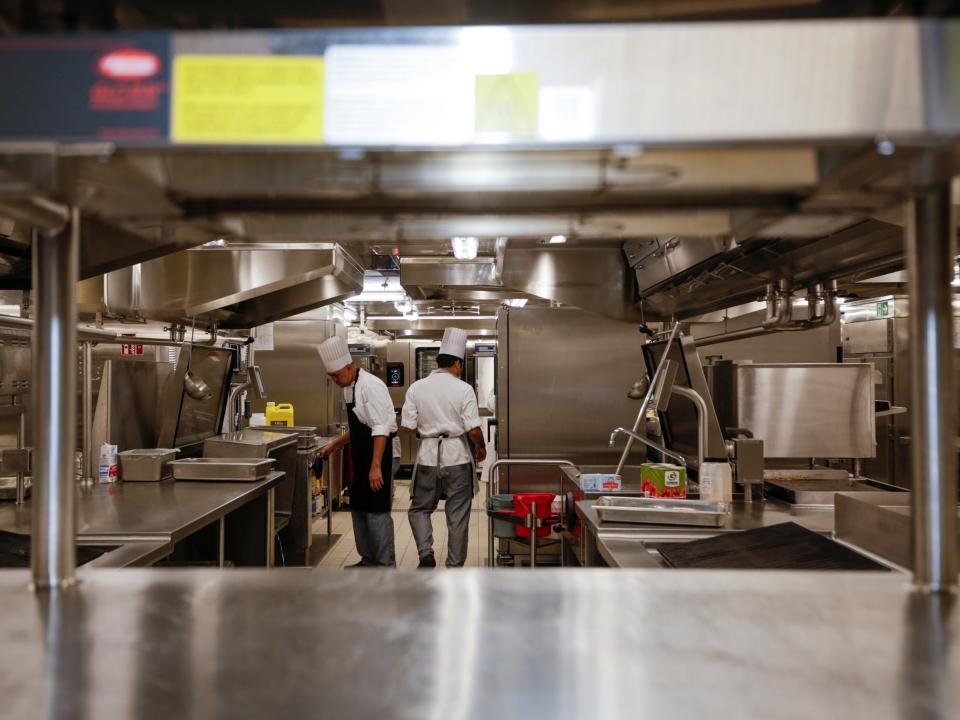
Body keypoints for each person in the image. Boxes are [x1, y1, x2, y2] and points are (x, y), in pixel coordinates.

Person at [401, 328, 486, 568]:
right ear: (457, 364)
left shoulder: (417, 387)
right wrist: (481, 447)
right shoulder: (464, 389)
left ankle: (426, 554)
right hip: (457, 457)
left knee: (419, 509)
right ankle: (454, 566)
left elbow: (407, 426)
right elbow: (473, 429)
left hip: (428, 457)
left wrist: (425, 432)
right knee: (457, 516)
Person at [318, 336, 397, 567]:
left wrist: (375, 467)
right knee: (359, 508)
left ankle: (385, 564)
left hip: (377, 458)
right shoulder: (348, 387)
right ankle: (368, 559)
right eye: (330, 376)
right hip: (362, 458)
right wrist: (336, 444)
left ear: (349, 367)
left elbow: (380, 428)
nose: (334, 380)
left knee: (376, 512)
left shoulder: (370, 386)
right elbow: (359, 428)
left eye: (336, 375)